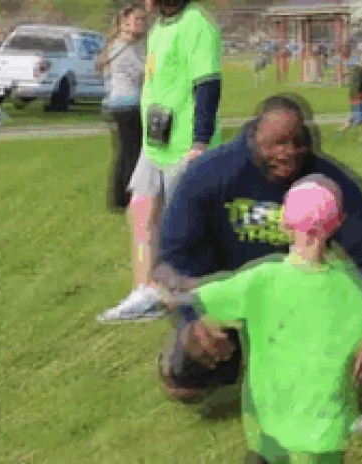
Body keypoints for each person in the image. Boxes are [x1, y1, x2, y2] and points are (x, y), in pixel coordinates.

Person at [152, 95, 362, 405]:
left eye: (297, 143)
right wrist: (194, 316)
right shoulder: (209, 173)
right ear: (253, 139)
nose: (289, 154)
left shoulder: (327, 182)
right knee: (184, 380)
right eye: (277, 144)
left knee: (320, 391)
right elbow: (173, 257)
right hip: (227, 304)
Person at [160, 174, 362, 464]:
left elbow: (200, 299)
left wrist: (168, 288)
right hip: (326, 427)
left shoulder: (262, 281)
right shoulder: (356, 293)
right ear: (336, 224)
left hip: (269, 422)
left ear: (285, 224)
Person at [97, 0, 223, 323]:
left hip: (184, 145)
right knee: (140, 209)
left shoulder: (197, 25)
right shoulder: (160, 27)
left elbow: (207, 86)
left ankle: (193, 297)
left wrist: (200, 142)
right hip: (154, 145)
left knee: (183, 224)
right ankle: (145, 292)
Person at [97, 5, 148, 213]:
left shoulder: (116, 45)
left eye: (141, 21)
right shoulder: (124, 46)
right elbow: (143, 72)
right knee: (133, 153)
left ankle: (118, 198)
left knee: (123, 152)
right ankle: (129, 198)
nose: (137, 25)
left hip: (116, 104)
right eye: (133, 21)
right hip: (128, 104)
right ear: (123, 23)